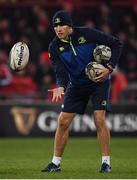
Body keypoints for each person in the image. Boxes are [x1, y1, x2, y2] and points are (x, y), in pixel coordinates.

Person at [41, 10, 123, 173]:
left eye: (62, 25)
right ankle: (55, 163)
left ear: (69, 25)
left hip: (98, 81)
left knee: (99, 119)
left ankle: (106, 163)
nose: (58, 29)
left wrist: (109, 68)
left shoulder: (87, 33)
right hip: (76, 85)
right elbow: (60, 71)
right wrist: (60, 86)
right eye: (55, 26)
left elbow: (117, 43)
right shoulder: (54, 46)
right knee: (63, 121)